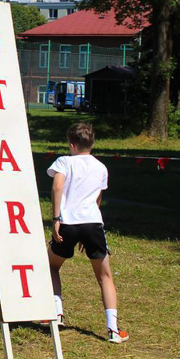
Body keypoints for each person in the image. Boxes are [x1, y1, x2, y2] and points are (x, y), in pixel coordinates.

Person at [47, 122, 128, 343]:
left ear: (71, 144)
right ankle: (113, 329)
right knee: (105, 277)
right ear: (92, 144)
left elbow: (57, 187)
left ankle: (56, 312)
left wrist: (56, 219)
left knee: (52, 266)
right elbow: (97, 199)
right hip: (93, 223)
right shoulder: (101, 167)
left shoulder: (64, 162)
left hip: (68, 223)